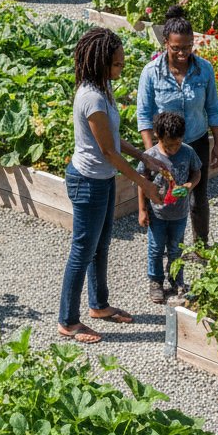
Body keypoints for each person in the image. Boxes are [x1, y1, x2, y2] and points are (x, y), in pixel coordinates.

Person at [58, 27, 165, 343]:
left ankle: (99, 305)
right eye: (117, 64)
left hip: (100, 180)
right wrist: (143, 184)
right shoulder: (91, 97)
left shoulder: (102, 89)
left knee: (100, 245)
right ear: (100, 63)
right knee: (82, 250)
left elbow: (114, 139)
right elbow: (106, 150)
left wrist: (144, 156)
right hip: (87, 182)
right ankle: (68, 321)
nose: (121, 68)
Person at [136, 5, 218, 252]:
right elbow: (143, 115)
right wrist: (151, 154)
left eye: (187, 47)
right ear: (165, 43)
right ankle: (166, 249)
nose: (183, 53)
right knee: (163, 197)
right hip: (164, 147)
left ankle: (201, 246)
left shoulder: (203, 69)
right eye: (176, 48)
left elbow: (213, 109)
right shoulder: (151, 73)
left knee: (198, 196)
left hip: (196, 140)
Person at [138, 111, 201, 305]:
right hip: (157, 213)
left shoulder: (188, 152)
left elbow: (196, 173)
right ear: (158, 135)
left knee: (176, 248)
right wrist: (142, 209)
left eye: (177, 144)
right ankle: (156, 281)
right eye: (169, 145)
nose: (174, 149)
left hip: (179, 214)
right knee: (156, 248)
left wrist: (189, 186)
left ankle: (176, 280)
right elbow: (142, 182)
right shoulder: (150, 156)